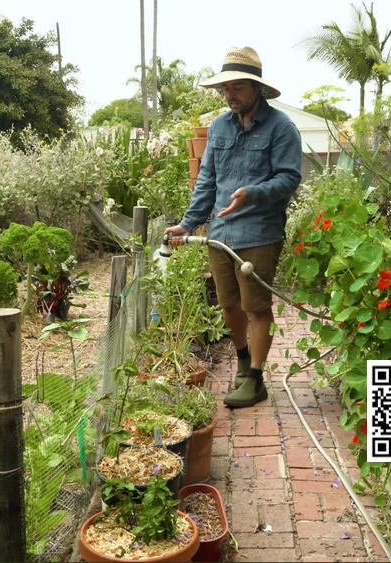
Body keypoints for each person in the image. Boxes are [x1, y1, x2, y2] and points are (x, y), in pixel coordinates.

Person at [163, 46, 302, 409]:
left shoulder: (282, 128)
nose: (230, 94)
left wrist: (252, 193)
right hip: (219, 232)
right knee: (229, 307)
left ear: (257, 88)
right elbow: (207, 179)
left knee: (256, 307)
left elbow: (289, 178)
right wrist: (188, 223)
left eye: (238, 87)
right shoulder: (220, 126)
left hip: (258, 233)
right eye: (226, 88)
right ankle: (243, 360)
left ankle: (255, 380)